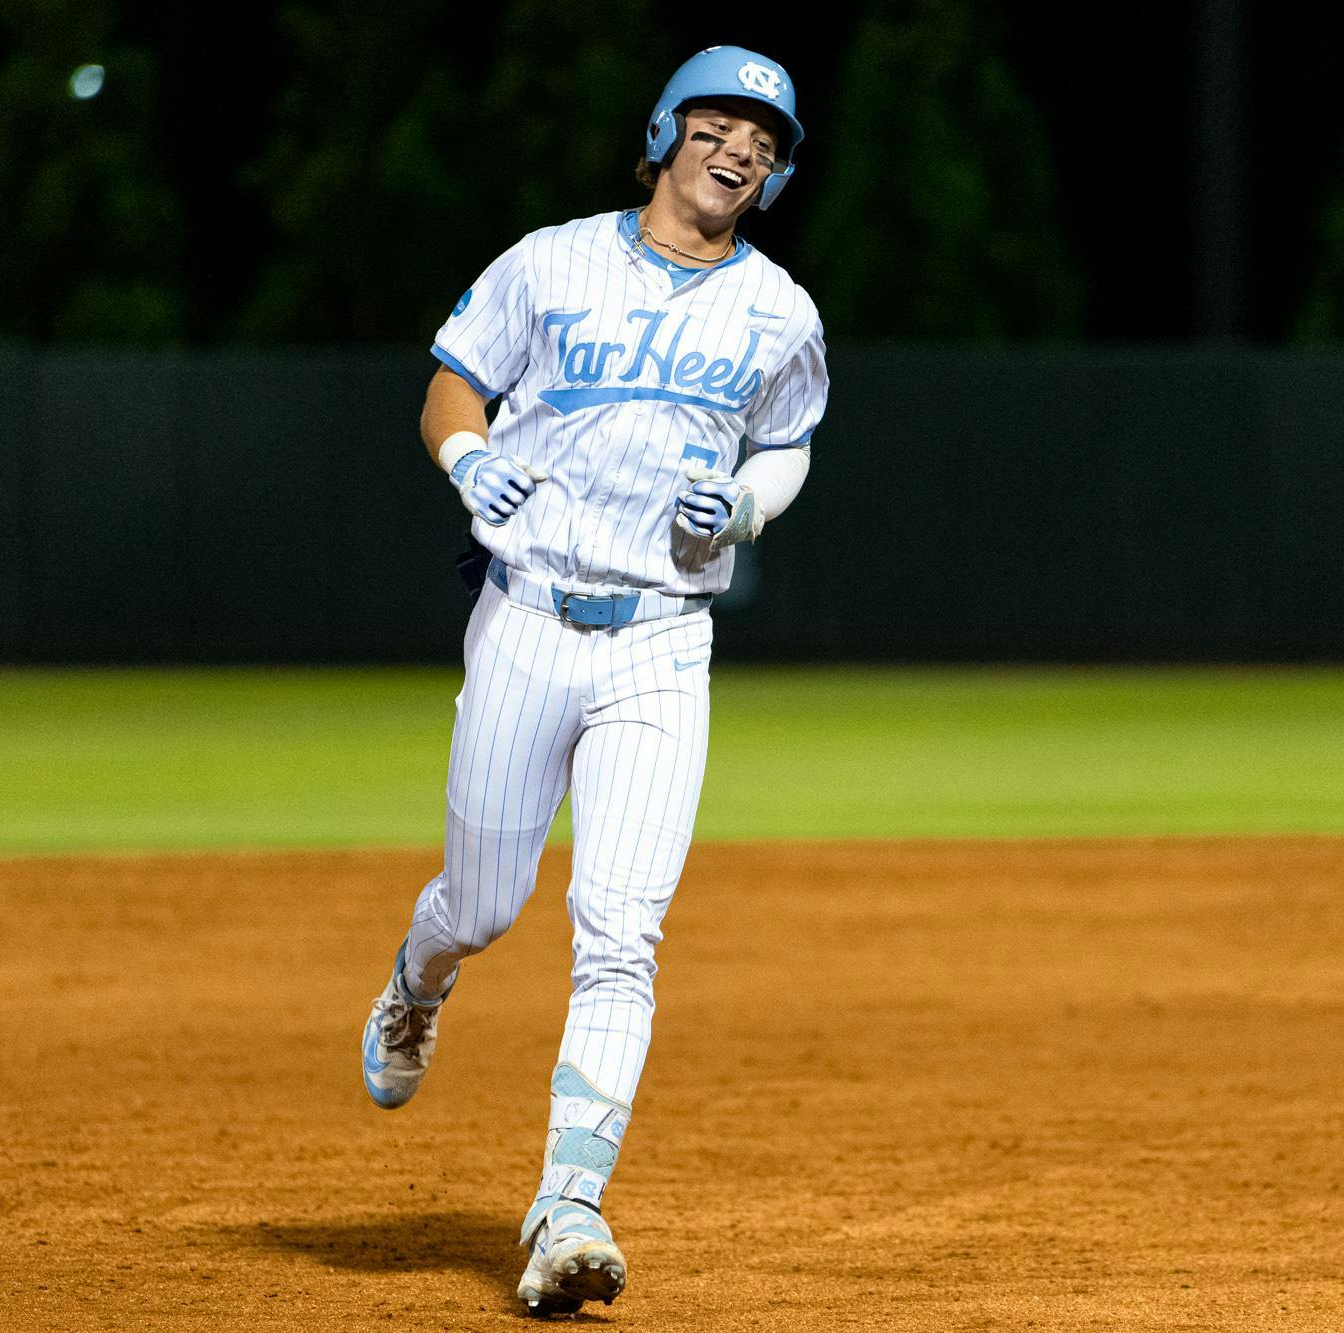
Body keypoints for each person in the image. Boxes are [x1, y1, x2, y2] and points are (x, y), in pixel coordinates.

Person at [358, 44, 829, 1316]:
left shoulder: (778, 310)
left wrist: (742, 504)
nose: (739, 149)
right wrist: (464, 462)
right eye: (720, 123)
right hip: (524, 619)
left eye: (765, 140)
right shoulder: (550, 258)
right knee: (485, 900)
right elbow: (451, 387)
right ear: (668, 131)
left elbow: (784, 446)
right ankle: (417, 980)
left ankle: (567, 1204)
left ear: (774, 174)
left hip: (663, 638)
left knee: (620, 932)